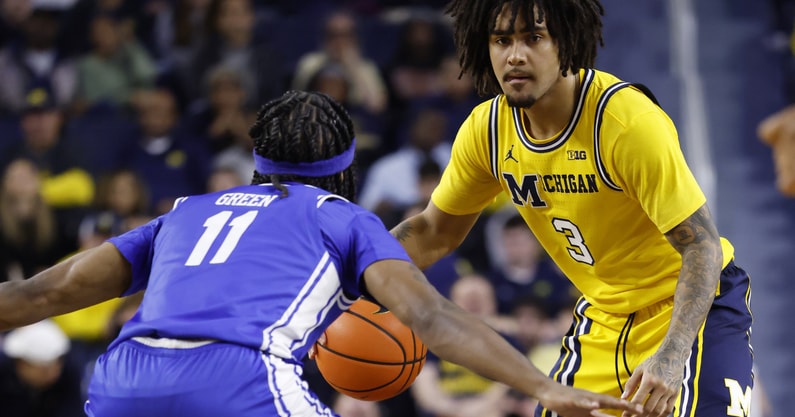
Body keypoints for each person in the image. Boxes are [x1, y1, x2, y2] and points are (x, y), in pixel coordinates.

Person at [0, 90, 638, 417]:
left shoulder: (183, 212)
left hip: (120, 381)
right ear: (343, 169)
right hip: (239, 378)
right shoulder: (343, 217)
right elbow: (433, 320)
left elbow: (43, 295)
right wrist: (542, 386)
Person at [390, 1, 754, 417]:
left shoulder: (624, 121)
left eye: (534, 38)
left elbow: (701, 247)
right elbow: (434, 232)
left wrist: (671, 356)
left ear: (567, 44)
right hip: (604, 314)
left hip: (693, 309)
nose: (515, 55)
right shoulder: (487, 131)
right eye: (501, 39)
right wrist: (355, 268)